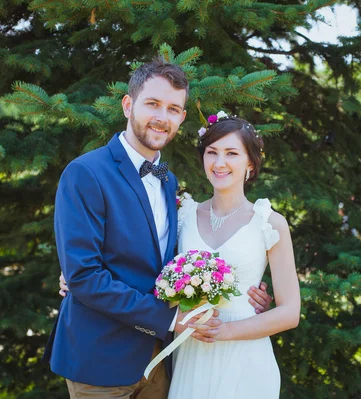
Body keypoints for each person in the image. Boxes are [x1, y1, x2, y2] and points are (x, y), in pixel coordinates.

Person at [44, 57, 273, 399]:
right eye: (152, 104)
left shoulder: (167, 180)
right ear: (128, 105)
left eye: (172, 109)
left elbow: (173, 258)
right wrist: (169, 320)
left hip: (161, 361)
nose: (161, 118)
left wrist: (246, 294)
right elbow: (84, 276)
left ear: (181, 117)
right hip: (100, 361)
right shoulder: (86, 173)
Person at [167, 114, 301, 398]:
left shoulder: (269, 222)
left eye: (231, 153)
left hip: (245, 356)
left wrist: (224, 331)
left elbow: (290, 312)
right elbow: (147, 269)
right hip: (192, 353)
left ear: (250, 163)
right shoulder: (184, 216)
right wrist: (73, 275)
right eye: (212, 152)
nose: (219, 163)